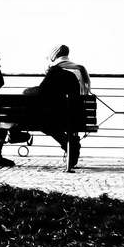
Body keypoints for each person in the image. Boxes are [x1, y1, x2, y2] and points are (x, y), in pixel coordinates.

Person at [23, 43, 91, 172]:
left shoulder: (56, 71)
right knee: (47, 116)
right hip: (80, 117)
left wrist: (26, 91)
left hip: (60, 116)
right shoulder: (80, 69)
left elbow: (42, 92)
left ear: (53, 58)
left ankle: (68, 143)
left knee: (39, 119)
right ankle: (70, 143)